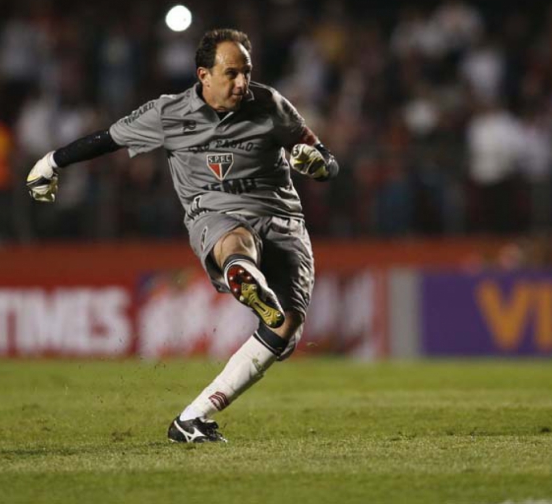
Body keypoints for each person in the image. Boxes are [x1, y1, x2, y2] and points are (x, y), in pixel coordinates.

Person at [26, 28, 339, 443]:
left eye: (246, 71)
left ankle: (193, 418)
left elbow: (326, 161)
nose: (242, 82)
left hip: (282, 220)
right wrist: (53, 160)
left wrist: (316, 165)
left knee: (286, 329)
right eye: (231, 73)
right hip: (215, 215)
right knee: (234, 236)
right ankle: (241, 271)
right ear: (203, 75)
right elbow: (109, 139)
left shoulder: (271, 105)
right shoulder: (168, 113)